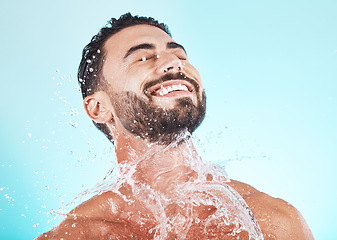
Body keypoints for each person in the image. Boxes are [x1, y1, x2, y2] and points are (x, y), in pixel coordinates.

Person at [36, 13, 313, 239]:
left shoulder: (271, 223)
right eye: (143, 58)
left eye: (180, 55)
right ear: (98, 108)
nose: (173, 63)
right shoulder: (79, 234)